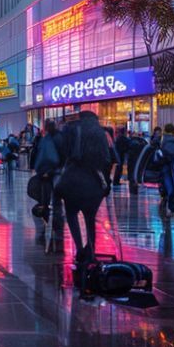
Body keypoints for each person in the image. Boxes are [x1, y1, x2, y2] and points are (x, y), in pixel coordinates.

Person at [57, 111, 111, 264]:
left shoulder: (73, 129)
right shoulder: (100, 133)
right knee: (90, 218)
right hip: (92, 181)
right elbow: (107, 159)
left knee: (71, 214)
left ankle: (79, 247)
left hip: (72, 179)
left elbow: (64, 152)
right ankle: (91, 250)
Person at [31, 119, 66, 252]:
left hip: (48, 173)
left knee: (48, 200)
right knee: (56, 202)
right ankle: (58, 227)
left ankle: (51, 223)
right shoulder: (59, 138)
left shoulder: (47, 139)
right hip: (57, 172)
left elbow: (40, 155)